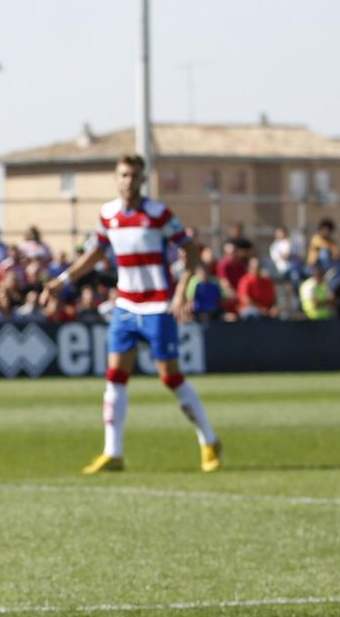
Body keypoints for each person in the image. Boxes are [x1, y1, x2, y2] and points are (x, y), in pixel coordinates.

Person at [41, 154, 221, 473]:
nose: (128, 180)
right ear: (116, 177)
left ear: (142, 179)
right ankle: (113, 452)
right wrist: (62, 280)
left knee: (171, 377)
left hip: (157, 307)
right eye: (123, 175)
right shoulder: (108, 214)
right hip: (125, 307)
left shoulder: (158, 214)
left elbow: (191, 250)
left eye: (134, 175)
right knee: (115, 379)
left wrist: (181, 291)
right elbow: (96, 252)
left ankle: (208, 439)